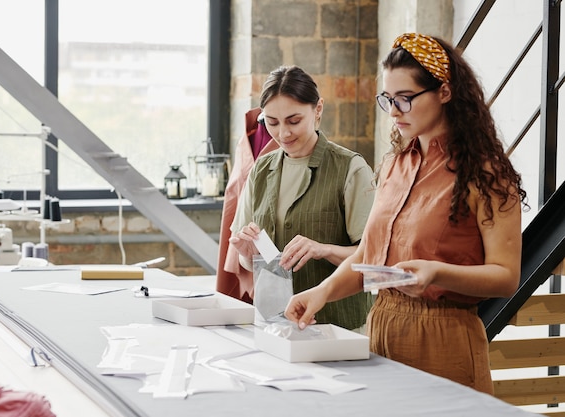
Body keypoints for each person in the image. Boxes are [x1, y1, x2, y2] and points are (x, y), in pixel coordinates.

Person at [284, 33, 528, 394]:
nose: (395, 111)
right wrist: (322, 291)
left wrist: (436, 273)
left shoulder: (486, 173)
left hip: (446, 340)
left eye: (405, 99)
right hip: (382, 327)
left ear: (444, 92)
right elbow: (368, 256)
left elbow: (506, 277)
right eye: (388, 99)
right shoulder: (395, 165)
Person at [229, 65, 375, 331]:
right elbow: (248, 262)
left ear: (318, 110)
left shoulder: (350, 168)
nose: (283, 133)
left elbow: (375, 259)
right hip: (274, 327)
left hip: (338, 329)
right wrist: (247, 254)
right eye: (271, 122)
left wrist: (325, 249)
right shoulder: (260, 170)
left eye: (294, 121)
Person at [217, 107, 279, 303]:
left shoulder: (285, 142)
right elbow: (235, 191)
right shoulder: (246, 138)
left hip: (271, 234)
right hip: (241, 225)